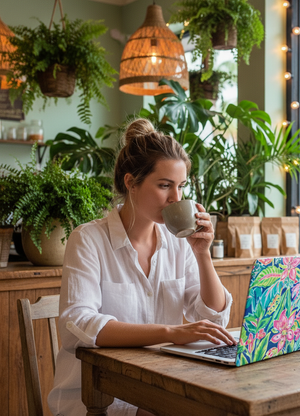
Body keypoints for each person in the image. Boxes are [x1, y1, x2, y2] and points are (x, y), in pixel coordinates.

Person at [48, 118, 235, 416]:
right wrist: (171, 331)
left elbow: (213, 317)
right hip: (95, 399)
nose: (176, 198)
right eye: (164, 186)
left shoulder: (177, 243)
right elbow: (79, 323)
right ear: (131, 182)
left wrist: (202, 254)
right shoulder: (89, 239)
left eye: (181, 187)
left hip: (158, 392)